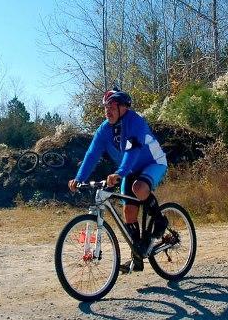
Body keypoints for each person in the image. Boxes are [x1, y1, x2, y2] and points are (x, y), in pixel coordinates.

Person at [68, 87, 168, 273]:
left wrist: (120, 173)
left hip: (153, 162)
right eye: (105, 106)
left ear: (124, 107)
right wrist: (78, 178)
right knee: (129, 212)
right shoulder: (104, 129)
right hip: (130, 169)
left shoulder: (135, 122)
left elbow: (133, 150)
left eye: (112, 106)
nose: (108, 110)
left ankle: (160, 221)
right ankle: (137, 258)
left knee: (139, 188)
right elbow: (91, 154)